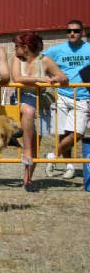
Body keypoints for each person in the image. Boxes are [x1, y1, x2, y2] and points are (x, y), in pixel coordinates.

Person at [11, 32, 68, 191]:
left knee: (36, 143)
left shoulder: (45, 61)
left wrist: (57, 79)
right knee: (28, 111)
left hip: (42, 104)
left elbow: (63, 78)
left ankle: (27, 180)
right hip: (22, 101)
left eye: (17, 46)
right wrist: (41, 80)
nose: (15, 49)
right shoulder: (17, 59)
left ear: (26, 47)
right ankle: (26, 150)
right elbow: (17, 78)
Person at [43, 20, 90, 179]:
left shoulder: (89, 48)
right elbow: (43, 61)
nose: (72, 33)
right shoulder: (57, 50)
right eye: (69, 30)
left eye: (76, 31)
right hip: (62, 95)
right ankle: (69, 165)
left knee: (77, 133)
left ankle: (52, 155)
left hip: (83, 97)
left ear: (82, 32)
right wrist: (50, 75)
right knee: (63, 133)